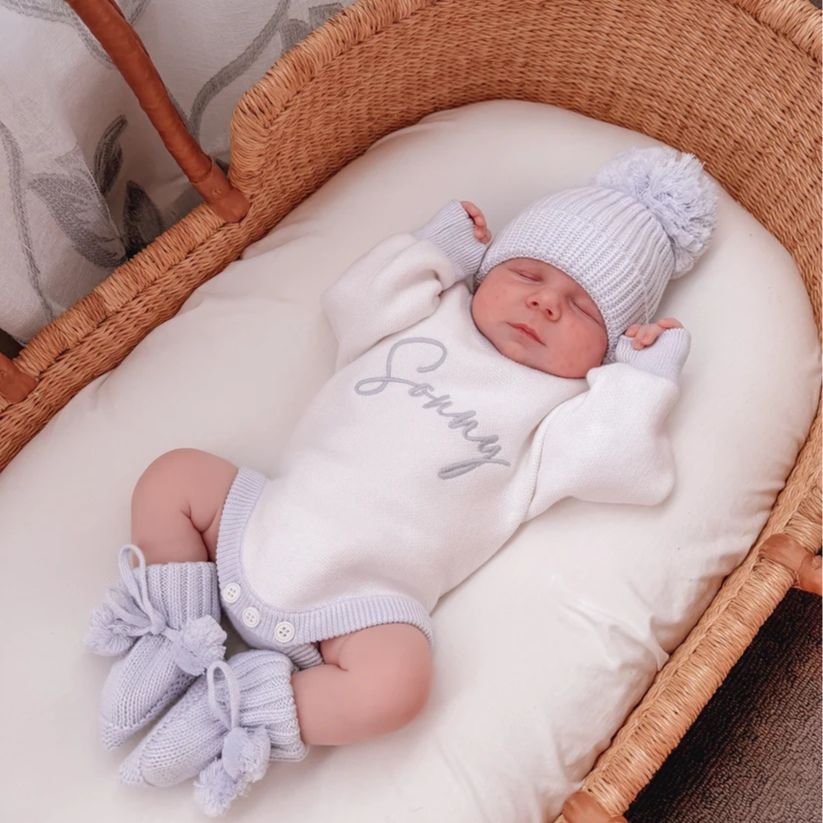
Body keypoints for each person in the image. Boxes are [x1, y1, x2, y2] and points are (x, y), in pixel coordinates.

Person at [85, 145, 717, 815]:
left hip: (365, 603)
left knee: (398, 689)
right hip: (264, 518)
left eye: (583, 309)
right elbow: (351, 299)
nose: (544, 302)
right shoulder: (428, 314)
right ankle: (175, 634)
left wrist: (644, 379)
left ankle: (235, 709)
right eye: (527, 273)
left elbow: (627, 467)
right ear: (486, 272)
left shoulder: (559, 415)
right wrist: (437, 250)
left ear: (608, 348)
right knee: (174, 476)